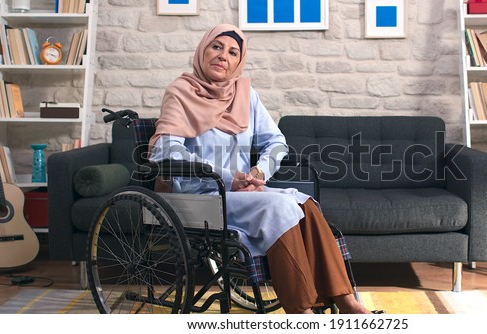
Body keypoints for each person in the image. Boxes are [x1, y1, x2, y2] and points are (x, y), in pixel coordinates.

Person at [149, 24, 371, 314]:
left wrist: (259, 172)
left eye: (232, 52)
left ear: (238, 62)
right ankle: (301, 310)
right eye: (216, 47)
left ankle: (346, 300)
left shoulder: (245, 94)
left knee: (304, 204)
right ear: (203, 50)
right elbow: (167, 151)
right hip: (202, 195)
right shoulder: (180, 93)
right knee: (277, 206)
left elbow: (276, 142)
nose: (223, 56)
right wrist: (229, 177)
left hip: (244, 193)